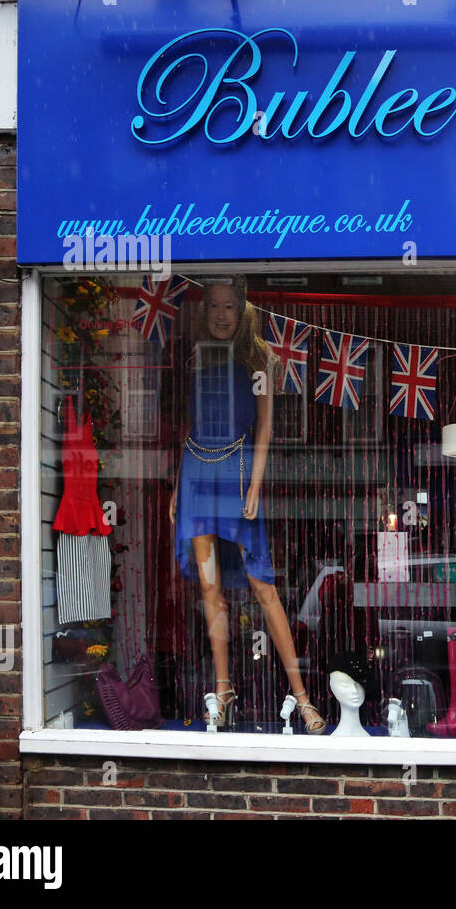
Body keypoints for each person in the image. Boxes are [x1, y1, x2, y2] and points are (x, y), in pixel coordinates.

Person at [170, 276, 325, 733]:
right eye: (214, 306)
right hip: (197, 471)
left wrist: (255, 486)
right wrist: (179, 486)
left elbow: (265, 429)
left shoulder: (259, 360)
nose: (221, 315)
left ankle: (302, 698)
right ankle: (223, 692)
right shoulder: (196, 357)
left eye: (229, 308)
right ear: (206, 311)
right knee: (211, 589)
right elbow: (187, 425)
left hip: (237, 473)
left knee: (263, 586)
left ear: (243, 312)